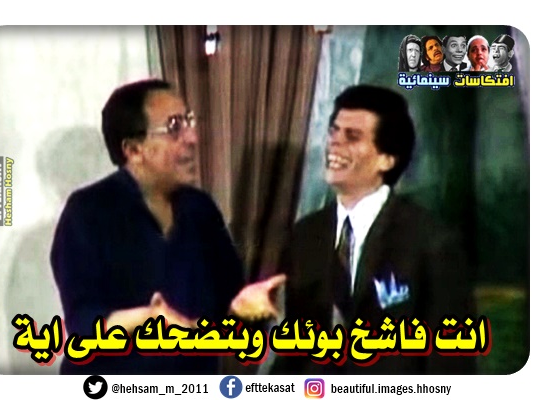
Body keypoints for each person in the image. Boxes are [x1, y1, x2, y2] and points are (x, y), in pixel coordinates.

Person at [51, 78, 282, 375]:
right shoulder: (87, 212)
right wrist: (146, 318)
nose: (192, 138)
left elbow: (226, 310)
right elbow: (83, 323)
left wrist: (243, 309)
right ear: (134, 150)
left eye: (189, 122)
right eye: (174, 127)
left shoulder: (201, 210)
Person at [272, 85, 475, 375]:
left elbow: (451, 360)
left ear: (386, 159)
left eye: (352, 136)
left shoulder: (431, 241)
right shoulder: (305, 235)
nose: (335, 143)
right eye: (334, 131)